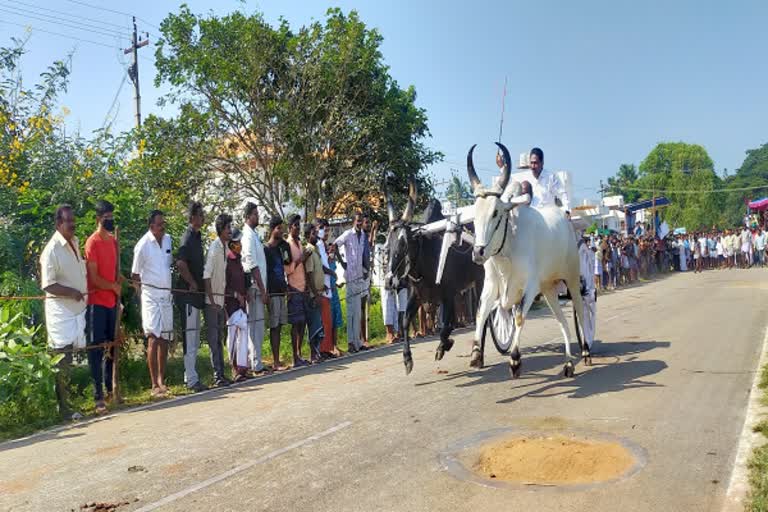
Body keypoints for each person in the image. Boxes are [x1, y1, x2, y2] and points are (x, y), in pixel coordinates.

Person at [41, 205, 88, 419]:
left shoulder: (75, 242)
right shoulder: (51, 250)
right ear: (58, 224)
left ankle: (69, 404)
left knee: (70, 356)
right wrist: (71, 292)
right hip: (61, 312)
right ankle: (63, 408)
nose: (73, 224)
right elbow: (48, 285)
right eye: (68, 221)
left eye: (73, 220)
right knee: (62, 358)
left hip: (77, 309)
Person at [131, 210, 173, 397]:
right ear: (151, 227)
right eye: (159, 224)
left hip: (166, 296)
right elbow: (134, 275)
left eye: (163, 223)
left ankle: (162, 380)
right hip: (150, 296)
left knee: (164, 338)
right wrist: (140, 294)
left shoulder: (168, 240)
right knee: (153, 338)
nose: (162, 226)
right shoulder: (142, 245)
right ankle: (154, 383)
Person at [84, 200, 120, 413]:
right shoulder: (92, 242)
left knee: (112, 348)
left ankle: (110, 388)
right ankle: (98, 395)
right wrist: (112, 287)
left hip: (113, 302)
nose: (110, 220)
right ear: (99, 219)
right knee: (96, 349)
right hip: (97, 302)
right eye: (106, 217)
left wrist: (119, 288)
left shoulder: (114, 241)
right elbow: (94, 278)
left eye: (111, 216)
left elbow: (115, 272)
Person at [175, 201, 207, 392]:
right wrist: (192, 283)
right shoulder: (187, 237)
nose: (203, 217)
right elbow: (180, 263)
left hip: (196, 297)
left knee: (195, 337)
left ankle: (192, 375)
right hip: (187, 296)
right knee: (190, 337)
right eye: (200, 214)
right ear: (192, 217)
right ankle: (191, 379)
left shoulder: (197, 237)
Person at [334, 212, 370, 352]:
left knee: (358, 312)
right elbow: (335, 245)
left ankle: (358, 342)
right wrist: (343, 263)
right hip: (350, 277)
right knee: (351, 312)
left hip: (360, 277)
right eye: (358, 221)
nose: (360, 223)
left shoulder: (363, 237)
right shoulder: (348, 234)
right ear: (353, 222)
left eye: (361, 221)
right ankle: (350, 342)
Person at [204, 213, 233, 387]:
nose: (230, 230)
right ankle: (217, 376)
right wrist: (212, 301)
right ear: (221, 230)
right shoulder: (215, 249)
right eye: (228, 227)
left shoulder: (225, 247)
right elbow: (206, 275)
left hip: (220, 301)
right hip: (212, 303)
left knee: (219, 338)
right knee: (214, 340)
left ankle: (222, 374)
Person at [241, 202, 268, 374]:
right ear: (248, 216)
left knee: (258, 326)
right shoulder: (247, 236)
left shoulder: (255, 235)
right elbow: (251, 265)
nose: (257, 217)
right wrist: (263, 289)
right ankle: (254, 362)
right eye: (255, 214)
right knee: (254, 325)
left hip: (259, 286)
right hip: (255, 287)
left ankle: (256, 360)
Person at [500, 147, 570, 213]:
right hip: (530, 219)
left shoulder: (551, 177)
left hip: (547, 220)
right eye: (531, 163)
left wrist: (566, 211)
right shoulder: (525, 176)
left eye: (535, 163)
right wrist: (502, 167)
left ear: (542, 163)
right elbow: (511, 182)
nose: (533, 166)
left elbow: (562, 194)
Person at [264, 216, 290, 371]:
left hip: (281, 290)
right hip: (272, 292)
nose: (281, 231)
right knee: (274, 326)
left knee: (280, 325)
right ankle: (274, 361)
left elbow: (286, 265)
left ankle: (277, 359)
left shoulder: (281, 248)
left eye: (282, 228)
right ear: (272, 229)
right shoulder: (266, 249)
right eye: (279, 228)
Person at [285, 214, 309, 367]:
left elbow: (303, 266)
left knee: (303, 324)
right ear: (290, 228)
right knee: (295, 323)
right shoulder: (287, 245)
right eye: (295, 226)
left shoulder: (299, 243)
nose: (298, 228)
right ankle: (295, 357)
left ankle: (300, 354)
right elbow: (287, 268)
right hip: (293, 288)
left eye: (299, 226)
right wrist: (301, 259)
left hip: (303, 287)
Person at [225, 228, 249, 382]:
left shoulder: (239, 260)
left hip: (241, 304)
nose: (239, 244)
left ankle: (242, 367)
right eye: (237, 242)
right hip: (230, 304)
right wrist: (235, 295)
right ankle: (234, 368)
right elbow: (224, 285)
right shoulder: (227, 261)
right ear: (231, 244)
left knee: (244, 332)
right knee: (232, 336)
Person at [304, 223, 327, 362]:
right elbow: (309, 274)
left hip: (320, 291)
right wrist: (315, 294)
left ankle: (318, 352)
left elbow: (319, 271)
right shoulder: (308, 250)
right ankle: (313, 354)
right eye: (313, 233)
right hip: (313, 295)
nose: (316, 235)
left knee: (319, 323)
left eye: (316, 232)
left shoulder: (316, 249)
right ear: (307, 236)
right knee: (314, 325)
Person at [315, 219, 337, 358]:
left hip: (328, 286)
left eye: (327, 229)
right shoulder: (317, 245)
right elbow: (321, 266)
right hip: (321, 286)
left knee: (328, 320)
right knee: (323, 320)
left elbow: (326, 263)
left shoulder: (323, 245)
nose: (325, 231)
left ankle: (327, 348)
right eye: (322, 228)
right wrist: (331, 272)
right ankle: (321, 349)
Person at [327, 242, 344, 354]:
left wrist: (337, 284)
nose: (332, 251)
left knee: (336, 319)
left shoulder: (333, 261)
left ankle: (335, 345)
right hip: (327, 293)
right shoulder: (325, 261)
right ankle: (330, 346)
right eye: (331, 249)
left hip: (335, 292)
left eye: (334, 249)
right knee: (329, 319)